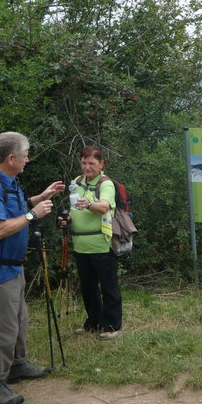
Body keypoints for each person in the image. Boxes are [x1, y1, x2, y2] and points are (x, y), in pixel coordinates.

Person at [0, 132, 65, 404]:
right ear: (11, 158)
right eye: (25, 155)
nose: (27, 160)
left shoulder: (7, 182)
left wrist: (40, 198)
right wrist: (33, 215)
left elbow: (14, 210)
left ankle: (17, 365)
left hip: (11, 269)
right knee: (1, 328)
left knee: (18, 321)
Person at [60, 146, 122, 341]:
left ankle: (112, 326)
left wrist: (88, 203)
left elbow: (104, 206)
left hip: (101, 244)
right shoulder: (77, 182)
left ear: (101, 164)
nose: (87, 167)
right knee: (88, 288)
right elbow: (73, 209)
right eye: (84, 163)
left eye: (92, 163)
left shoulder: (106, 184)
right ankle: (94, 323)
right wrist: (67, 219)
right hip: (80, 244)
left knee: (108, 287)